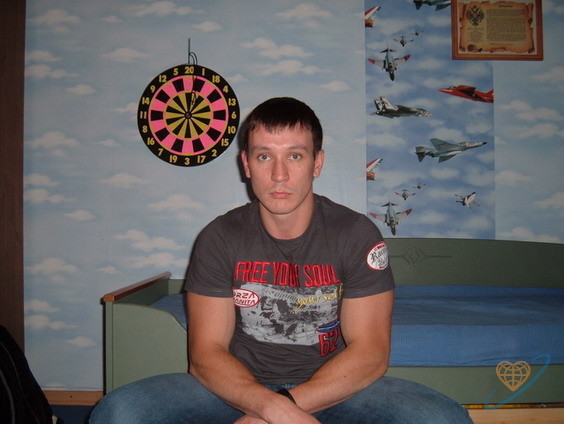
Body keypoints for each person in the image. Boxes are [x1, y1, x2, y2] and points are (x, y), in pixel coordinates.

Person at [90, 97, 472, 423]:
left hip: (333, 389)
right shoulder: (218, 238)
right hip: (238, 389)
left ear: (317, 163)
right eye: (264, 156)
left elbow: (370, 354)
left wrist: (284, 407)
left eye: (295, 155)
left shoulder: (356, 234)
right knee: (119, 412)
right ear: (246, 165)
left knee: (443, 418)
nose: (279, 175)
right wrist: (270, 408)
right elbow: (206, 355)